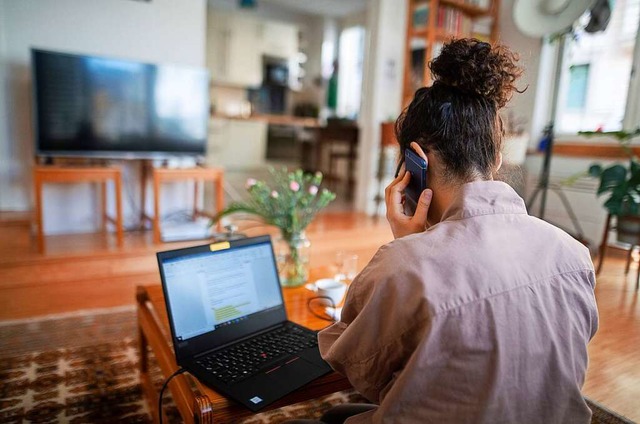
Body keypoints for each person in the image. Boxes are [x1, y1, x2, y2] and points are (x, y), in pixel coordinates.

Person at [286, 38, 598, 423]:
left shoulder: (403, 266)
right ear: (496, 157)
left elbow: (352, 363)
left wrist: (412, 246)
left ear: (414, 160)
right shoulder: (574, 254)